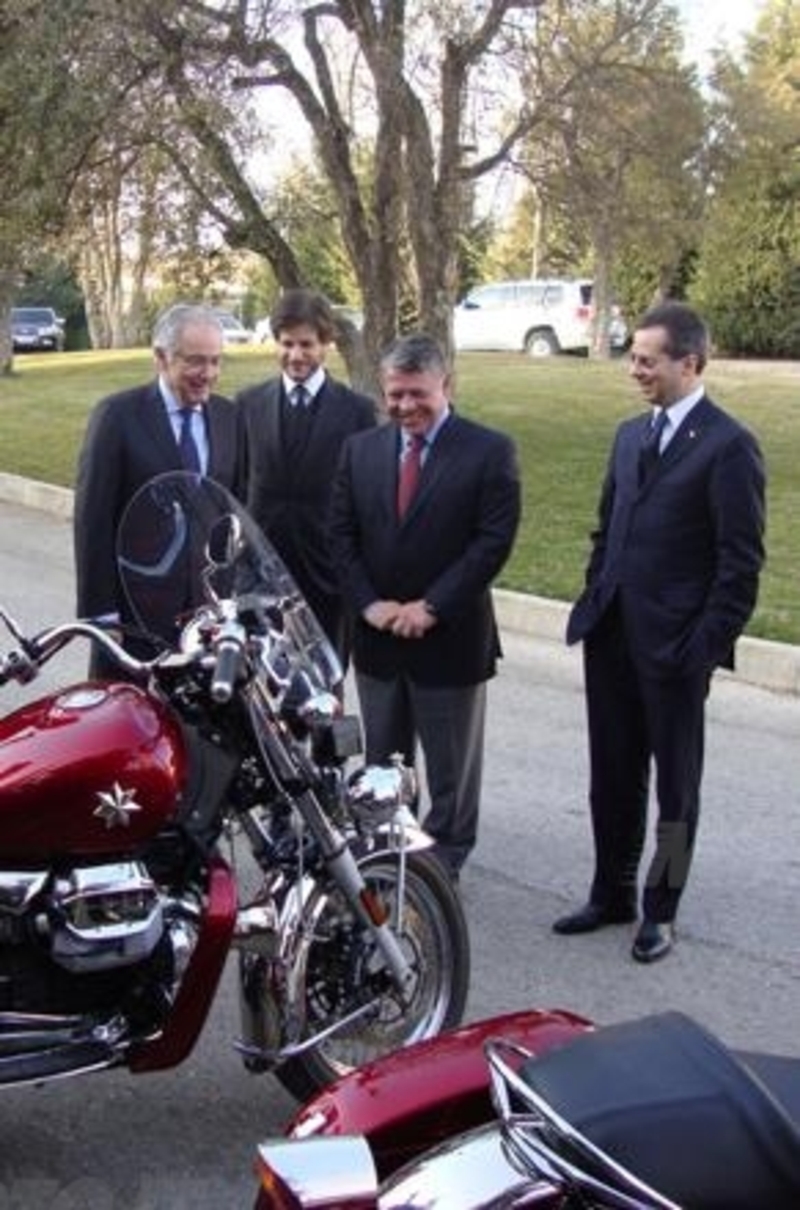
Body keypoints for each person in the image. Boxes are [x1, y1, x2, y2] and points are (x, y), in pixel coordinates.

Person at [555, 301, 766, 963]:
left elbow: (740, 565)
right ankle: (610, 891)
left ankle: (661, 909)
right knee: (611, 778)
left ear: (690, 363)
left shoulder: (730, 447)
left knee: (676, 790)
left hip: (675, 652)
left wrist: (700, 650)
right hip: (612, 636)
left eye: (648, 359)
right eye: (634, 357)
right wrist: (596, 593)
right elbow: (606, 527)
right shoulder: (627, 436)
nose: (635, 370)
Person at [329, 333, 521, 881]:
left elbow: (492, 542)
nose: (406, 406)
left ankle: (442, 866)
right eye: (396, 395)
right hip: (378, 641)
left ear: (447, 386)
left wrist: (431, 607)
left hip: (451, 640)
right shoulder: (360, 450)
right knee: (386, 764)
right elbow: (340, 535)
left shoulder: (489, 450)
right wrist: (367, 605)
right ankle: (390, 853)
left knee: (450, 772)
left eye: (418, 394)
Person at [74, 303, 243, 677]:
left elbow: (234, 513)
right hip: (132, 616)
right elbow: (93, 520)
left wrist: (234, 599)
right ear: (161, 358)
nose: (209, 373)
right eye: (196, 361)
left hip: (204, 619)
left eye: (216, 361)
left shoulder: (229, 417)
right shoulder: (117, 417)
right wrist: (100, 615)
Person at [237, 289, 377, 661]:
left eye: (306, 344)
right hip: (261, 578)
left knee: (323, 693)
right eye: (286, 344)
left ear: (326, 344)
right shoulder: (248, 403)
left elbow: (365, 499)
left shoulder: (358, 412)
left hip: (327, 578)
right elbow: (235, 485)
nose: (295, 355)